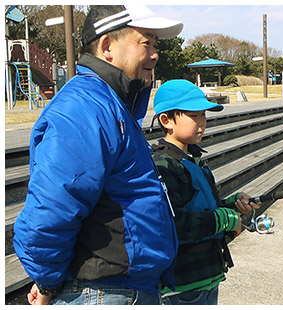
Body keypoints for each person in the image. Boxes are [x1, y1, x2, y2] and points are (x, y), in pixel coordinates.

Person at [13, 5, 183, 305]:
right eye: (146, 42)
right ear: (107, 46)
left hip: (123, 288)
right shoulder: (85, 108)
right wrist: (49, 281)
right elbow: (50, 211)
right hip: (104, 292)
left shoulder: (111, 105)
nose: (155, 54)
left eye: (156, 45)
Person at [151, 79, 259, 305]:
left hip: (208, 278)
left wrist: (231, 204)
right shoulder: (163, 165)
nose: (202, 123)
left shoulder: (195, 161)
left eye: (203, 116)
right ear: (166, 120)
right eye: (193, 116)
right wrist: (226, 218)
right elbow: (174, 224)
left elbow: (205, 207)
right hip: (183, 286)